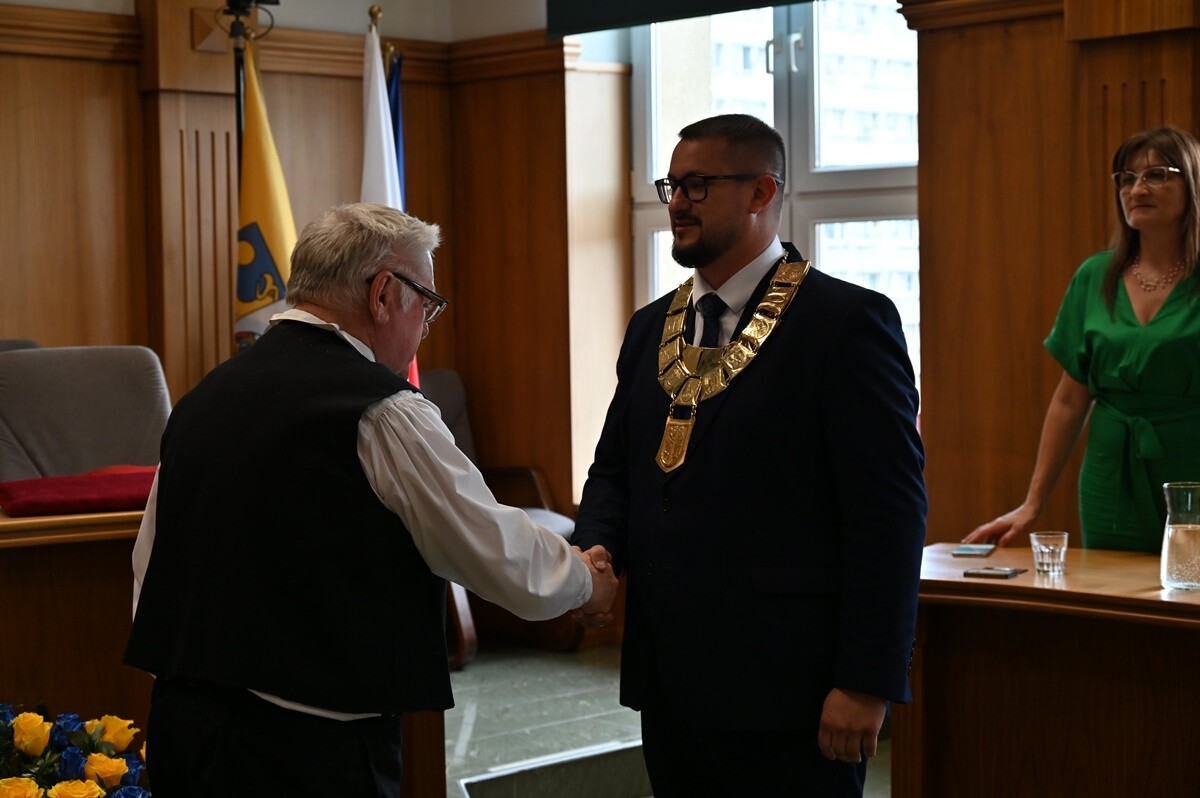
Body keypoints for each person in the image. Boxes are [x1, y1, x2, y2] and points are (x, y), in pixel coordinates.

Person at [123, 203, 619, 797]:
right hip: (308, 751)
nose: (427, 326)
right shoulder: (382, 410)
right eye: (426, 303)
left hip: (183, 727)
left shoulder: (201, 400)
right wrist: (585, 582)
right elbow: (489, 547)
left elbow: (151, 563)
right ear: (383, 294)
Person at [570, 114, 927, 796]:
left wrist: (866, 680)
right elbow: (614, 470)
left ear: (762, 192)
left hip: (789, 684)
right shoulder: (650, 326)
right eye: (672, 185)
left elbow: (889, 516)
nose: (677, 202)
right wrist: (597, 552)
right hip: (669, 676)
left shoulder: (845, 323)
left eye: (698, 185)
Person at [965, 126, 1200, 553]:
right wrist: (1032, 504)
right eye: (1127, 178)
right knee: (1107, 586)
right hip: (1111, 472)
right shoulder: (1095, 276)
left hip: (1190, 469)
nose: (1137, 189)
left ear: (1193, 183)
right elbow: (1070, 400)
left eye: (1156, 175)